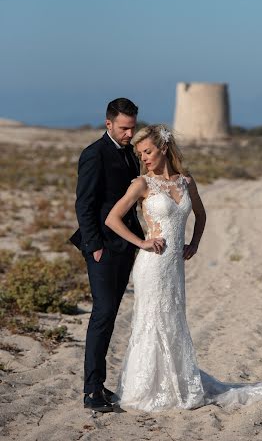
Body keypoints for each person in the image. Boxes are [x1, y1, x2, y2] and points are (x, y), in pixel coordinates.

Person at [105, 124, 262, 411]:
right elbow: (112, 218)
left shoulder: (186, 182)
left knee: (172, 320)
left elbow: (201, 214)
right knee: (151, 320)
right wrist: (141, 243)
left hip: (174, 267)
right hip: (152, 265)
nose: (143, 157)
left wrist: (194, 243)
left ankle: (175, 381)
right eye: (139, 153)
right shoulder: (142, 184)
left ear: (164, 148)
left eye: (147, 151)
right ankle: (146, 388)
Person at [70, 99, 164, 413]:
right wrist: (94, 246)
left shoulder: (128, 153)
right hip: (102, 249)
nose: (129, 133)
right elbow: (84, 205)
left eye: (132, 127)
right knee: (102, 314)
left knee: (110, 317)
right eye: (124, 127)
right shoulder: (94, 154)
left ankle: (98, 384)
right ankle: (91, 392)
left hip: (125, 247)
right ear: (108, 123)